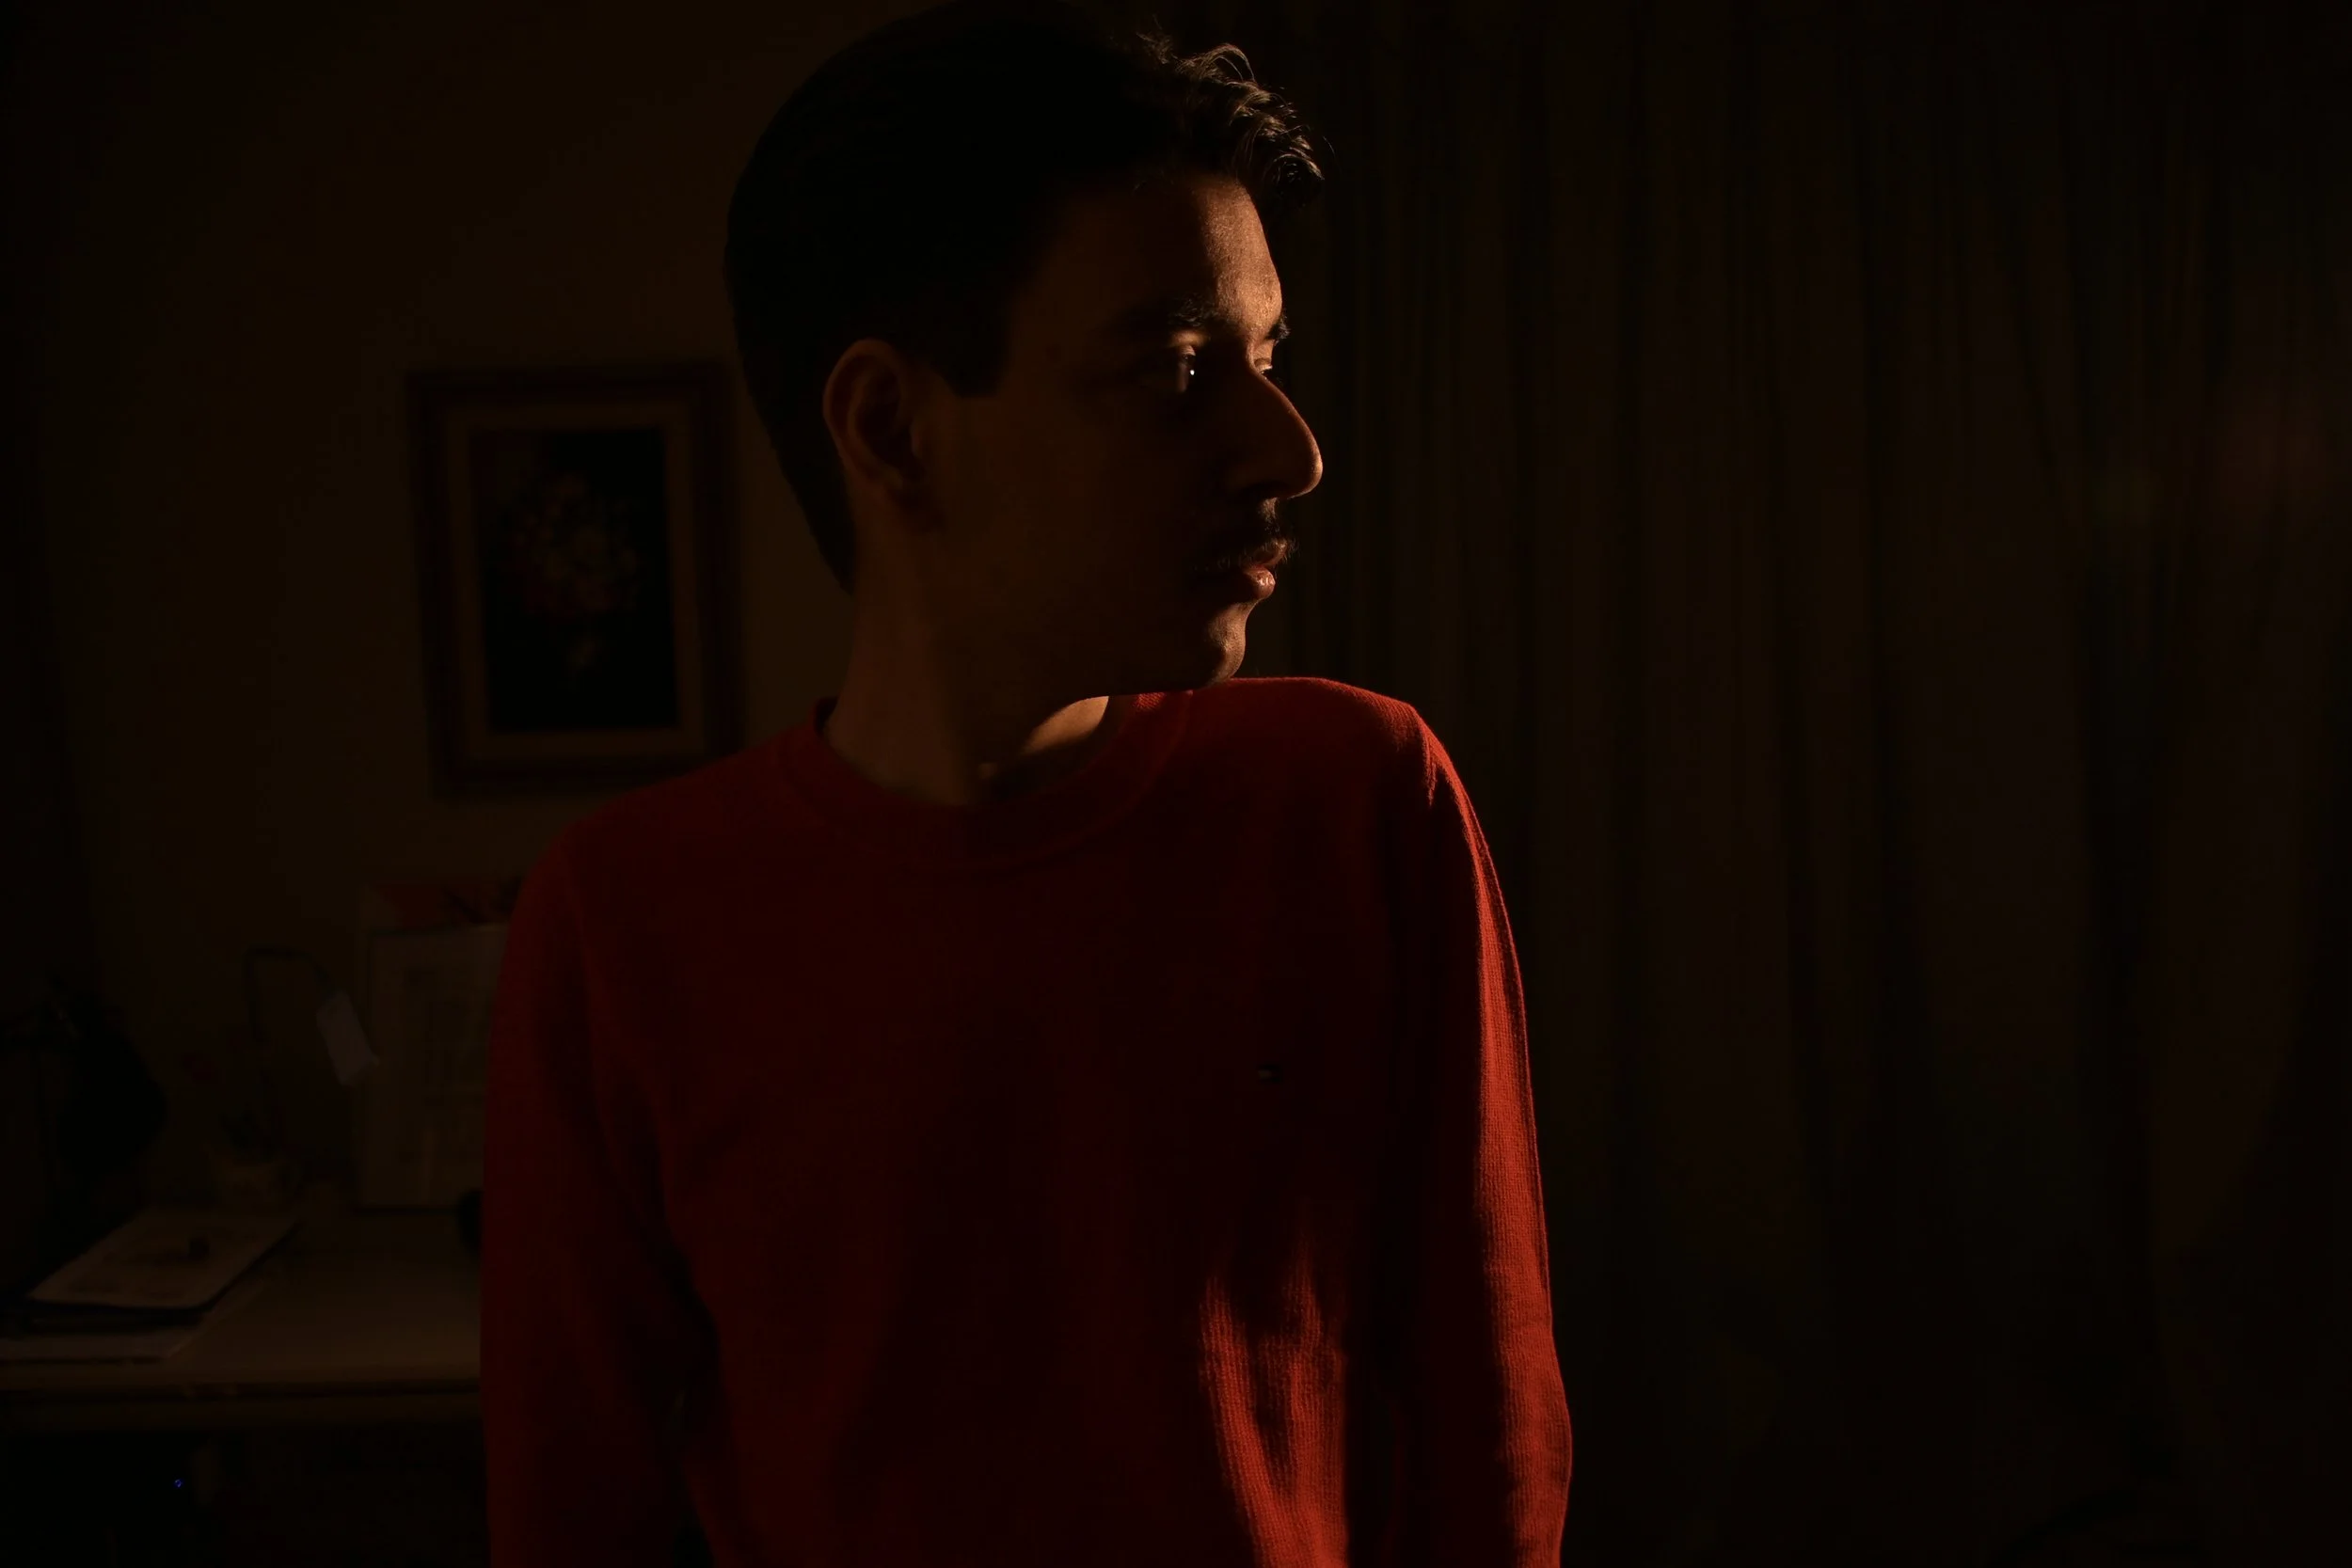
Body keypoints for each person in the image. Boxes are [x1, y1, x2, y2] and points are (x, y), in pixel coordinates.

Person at [480, 2, 1571, 1563]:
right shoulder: (625, 925)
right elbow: (577, 1511)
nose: (1290, 448)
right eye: (1178, 370)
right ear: (891, 427)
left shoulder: (1356, 800)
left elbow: (1492, 1429)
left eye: (1269, 359)